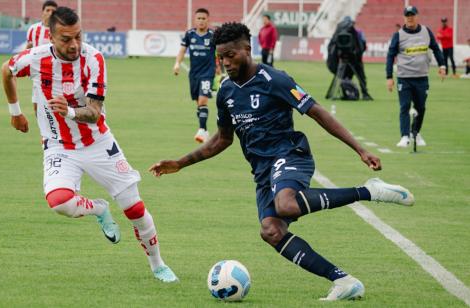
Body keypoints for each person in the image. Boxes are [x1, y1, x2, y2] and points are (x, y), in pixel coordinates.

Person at [150, 22, 414, 301]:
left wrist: (360, 150)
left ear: (247, 49)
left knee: (285, 203)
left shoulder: (274, 79)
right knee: (272, 231)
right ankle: (343, 281)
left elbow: (317, 112)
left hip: (290, 154)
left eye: (231, 55)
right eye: (221, 57)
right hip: (262, 171)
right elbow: (222, 139)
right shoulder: (226, 91)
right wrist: (180, 163)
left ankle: (368, 191)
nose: (226, 62)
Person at [1, 6, 177, 283]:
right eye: (66, 39)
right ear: (51, 37)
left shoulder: (93, 58)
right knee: (59, 202)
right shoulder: (35, 58)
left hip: (98, 143)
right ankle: (99, 208)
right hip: (58, 145)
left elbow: (94, 112)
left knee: (135, 210)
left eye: (78, 37)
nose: (74, 45)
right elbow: (6, 70)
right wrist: (15, 112)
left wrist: (69, 112)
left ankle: (158, 265)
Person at [386, 6, 446, 147]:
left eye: (412, 15)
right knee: (405, 106)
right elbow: (390, 56)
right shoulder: (399, 35)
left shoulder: (426, 32)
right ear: (404, 18)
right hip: (404, 78)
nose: (410, 18)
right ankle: (405, 136)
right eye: (407, 16)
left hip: (422, 77)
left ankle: (416, 133)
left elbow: (436, 49)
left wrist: (442, 66)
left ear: (417, 16)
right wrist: (389, 77)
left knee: (421, 107)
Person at [173, 8, 219, 143]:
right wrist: (177, 64)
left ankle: (201, 129)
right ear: (195, 20)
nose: (201, 21)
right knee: (198, 103)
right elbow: (182, 50)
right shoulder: (189, 34)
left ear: (208, 20)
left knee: (203, 100)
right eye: (198, 18)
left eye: (203, 18)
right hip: (193, 74)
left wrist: (219, 67)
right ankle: (205, 131)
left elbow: (220, 52)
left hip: (207, 73)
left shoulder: (212, 35)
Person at [326, 16, 372, 100]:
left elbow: (332, 47)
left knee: (343, 77)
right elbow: (363, 46)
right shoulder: (359, 33)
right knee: (360, 77)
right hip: (355, 60)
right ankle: (364, 94)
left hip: (346, 60)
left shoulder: (339, 33)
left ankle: (342, 93)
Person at [26, 1, 58, 115]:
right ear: (42, 12)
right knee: (37, 108)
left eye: (53, 11)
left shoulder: (59, 30)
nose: (50, 13)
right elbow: (28, 48)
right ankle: (44, 132)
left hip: (56, 74)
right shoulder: (33, 29)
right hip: (38, 74)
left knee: (54, 109)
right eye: (47, 10)